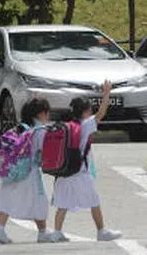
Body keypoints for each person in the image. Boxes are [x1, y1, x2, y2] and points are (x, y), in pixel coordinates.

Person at [50, 81, 122, 242]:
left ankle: (57, 231)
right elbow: (101, 114)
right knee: (94, 201)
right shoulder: (86, 125)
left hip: (63, 171)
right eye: (89, 110)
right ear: (86, 112)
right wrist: (106, 94)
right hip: (80, 171)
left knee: (63, 204)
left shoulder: (67, 126)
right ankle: (101, 231)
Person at [0, 97, 56, 244]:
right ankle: (43, 232)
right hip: (28, 172)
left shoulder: (20, 127)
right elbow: (41, 152)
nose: (48, 116)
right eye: (47, 112)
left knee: (6, 196)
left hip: (11, 169)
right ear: (41, 114)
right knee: (38, 200)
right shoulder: (40, 131)